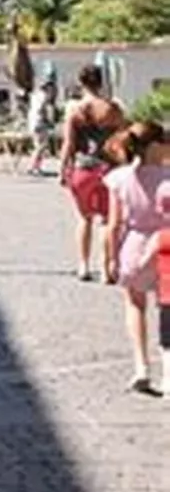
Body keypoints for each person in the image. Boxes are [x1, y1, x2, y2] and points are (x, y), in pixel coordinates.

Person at [101, 121, 169, 394]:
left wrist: (110, 258)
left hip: (134, 245)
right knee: (167, 309)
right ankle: (168, 370)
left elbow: (113, 224)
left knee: (135, 305)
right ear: (155, 146)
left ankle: (141, 367)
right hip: (166, 245)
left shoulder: (119, 178)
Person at [59, 64, 130, 281]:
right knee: (108, 220)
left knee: (84, 218)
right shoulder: (114, 109)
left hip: (83, 169)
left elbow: (68, 144)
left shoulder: (75, 110)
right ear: (101, 82)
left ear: (81, 83)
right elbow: (124, 140)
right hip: (109, 170)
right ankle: (106, 269)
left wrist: (63, 169)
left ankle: (83, 266)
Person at [25, 80, 60, 176]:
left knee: (39, 146)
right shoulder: (44, 96)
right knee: (41, 146)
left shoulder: (35, 96)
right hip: (40, 123)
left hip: (33, 122)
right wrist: (48, 121)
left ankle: (35, 166)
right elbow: (42, 110)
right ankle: (33, 167)